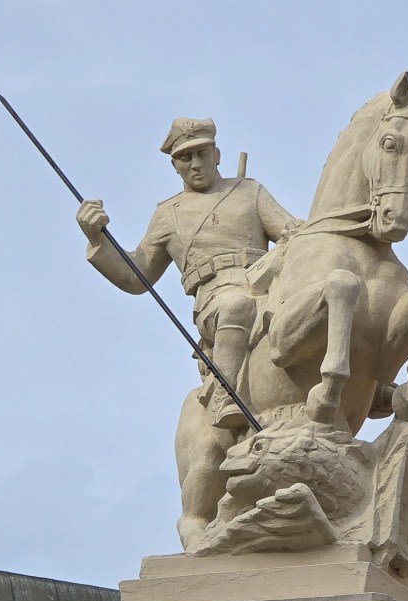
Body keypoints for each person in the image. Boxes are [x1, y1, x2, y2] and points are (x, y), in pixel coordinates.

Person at [76, 117, 300, 429]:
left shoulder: (250, 191)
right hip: (217, 298)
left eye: (201, 153)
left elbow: (294, 233)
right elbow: (137, 275)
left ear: (216, 155)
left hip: (266, 283)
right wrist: (97, 239)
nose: (195, 164)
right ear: (175, 166)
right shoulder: (169, 214)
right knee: (236, 304)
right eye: (185, 157)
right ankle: (224, 395)